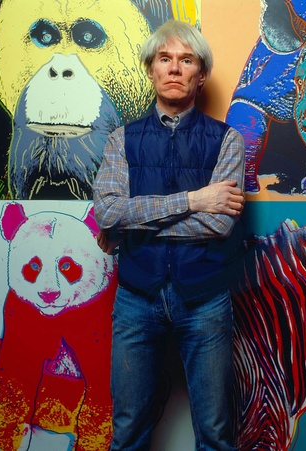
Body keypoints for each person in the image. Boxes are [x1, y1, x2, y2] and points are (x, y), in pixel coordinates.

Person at [93, 19, 245, 451]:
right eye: (164, 59)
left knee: (215, 431)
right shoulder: (122, 140)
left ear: (202, 74)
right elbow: (108, 212)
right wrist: (194, 200)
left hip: (205, 299)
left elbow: (219, 224)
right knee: (128, 429)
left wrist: (133, 226)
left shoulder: (227, 140)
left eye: (186, 60)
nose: (174, 68)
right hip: (136, 298)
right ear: (151, 70)